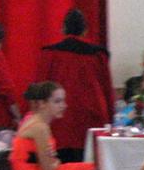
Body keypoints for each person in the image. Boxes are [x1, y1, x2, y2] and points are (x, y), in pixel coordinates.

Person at [37, 8, 115, 162]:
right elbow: (107, 89)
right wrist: (110, 118)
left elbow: (41, 89)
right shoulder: (98, 55)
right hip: (91, 117)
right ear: (85, 30)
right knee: (89, 163)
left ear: (63, 29)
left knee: (61, 164)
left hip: (59, 118)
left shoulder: (50, 53)